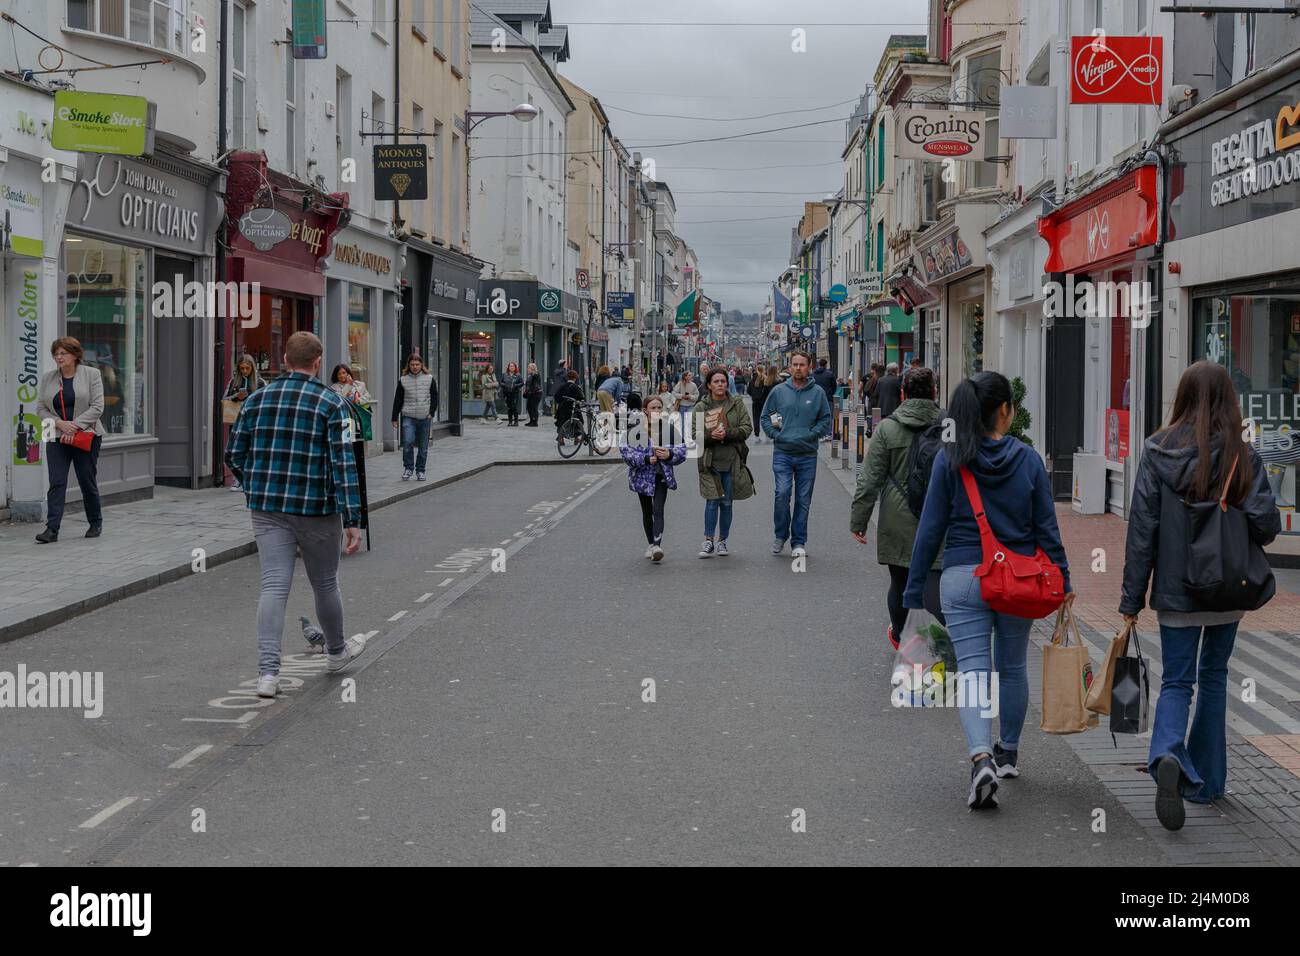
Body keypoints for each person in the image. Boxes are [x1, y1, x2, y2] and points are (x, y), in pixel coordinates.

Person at [1119, 361, 1279, 831]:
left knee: (1177, 681)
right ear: (1230, 400)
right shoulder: (1243, 455)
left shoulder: (1156, 450)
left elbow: (1141, 531)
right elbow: (1268, 527)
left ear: (1183, 397)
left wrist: (1132, 598)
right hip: (1229, 588)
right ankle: (1206, 783)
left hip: (1175, 589)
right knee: (1214, 677)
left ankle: (1168, 752)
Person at [904, 371, 1072, 811]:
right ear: (1004, 411)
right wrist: (1064, 579)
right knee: (1013, 665)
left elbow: (930, 528)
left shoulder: (951, 458)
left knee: (974, 671)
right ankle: (1008, 752)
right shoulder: (1029, 459)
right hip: (1017, 580)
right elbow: (1046, 529)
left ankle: (981, 757)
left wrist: (914, 584)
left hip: (963, 578)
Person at [225, 331, 365, 698]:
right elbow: (343, 464)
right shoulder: (330, 403)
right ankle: (335, 652)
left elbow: (233, 455)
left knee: (273, 585)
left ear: (285, 358)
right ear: (317, 363)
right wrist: (353, 519)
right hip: (316, 508)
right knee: (324, 583)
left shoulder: (256, 399)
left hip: (268, 508)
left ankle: (268, 674)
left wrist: (254, 484)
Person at [851, 366, 946, 648]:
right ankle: (936, 643)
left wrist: (859, 520)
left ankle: (902, 638)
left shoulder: (888, 428)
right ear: (935, 392)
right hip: (939, 514)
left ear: (903, 393)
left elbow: (869, 479)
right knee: (935, 578)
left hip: (897, 514)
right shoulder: (948, 426)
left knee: (900, 580)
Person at [34, 337, 105, 543]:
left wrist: (73, 426)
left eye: (63, 353)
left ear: (75, 355)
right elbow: (40, 408)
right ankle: (52, 530)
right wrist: (59, 423)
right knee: (56, 482)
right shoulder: (48, 378)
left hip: (85, 435)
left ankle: (95, 521)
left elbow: (98, 407)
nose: (59, 357)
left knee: (86, 480)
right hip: (55, 434)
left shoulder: (92, 374)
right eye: (56, 354)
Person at [760, 351, 831, 558]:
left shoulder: (817, 392)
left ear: (809, 367)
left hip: (807, 454)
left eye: (802, 365)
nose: (798, 368)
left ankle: (798, 541)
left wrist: (812, 434)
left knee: (803, 499)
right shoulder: (779, 391)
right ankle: (780, 535)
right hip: (783, 452)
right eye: (795, 364)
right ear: (790, 367)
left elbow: (825, 419)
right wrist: (777, 433)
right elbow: (770, 415)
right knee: (782, 494)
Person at [620, 395, 688, 562]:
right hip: (642, 477)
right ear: (645, 410)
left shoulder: (669, 429)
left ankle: (657, 545)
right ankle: (650, 544)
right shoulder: (635, 430)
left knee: (658, 510)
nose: (657, 411)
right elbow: (626, 452)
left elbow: (682, 450)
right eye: (653, 408)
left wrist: (669, 453)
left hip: (661, 476)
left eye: (659, 408)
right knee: (647, 511)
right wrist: (644, 459)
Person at [695, 367, 754, 557]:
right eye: (716, 381)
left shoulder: (736, 404)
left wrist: (727, 433)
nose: (720, 384)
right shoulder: (701, 407)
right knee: (712, 501)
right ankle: (708, 541)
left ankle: (723, 541)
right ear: (709, 385)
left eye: (723, 381)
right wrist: (711, 435)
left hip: (731, 460)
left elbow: (747, 427)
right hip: (710, 461)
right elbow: (694, 434)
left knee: (727, 503)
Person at [390, 354, 437, 481]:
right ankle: (408, 468)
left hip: (424, 417)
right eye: (412, 365)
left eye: (417, 364)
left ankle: (420, 470)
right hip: (408, 417)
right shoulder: (403, 380)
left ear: (422, 365)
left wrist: (431, 413)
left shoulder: (429, 378)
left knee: (423, 446)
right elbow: (398, 400)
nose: (415, 367)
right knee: (408, 442)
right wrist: (394, 417)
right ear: (408, 366)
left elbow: (434, 397)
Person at [223, 354, 264, 491]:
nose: (245, 371)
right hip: (236, 420)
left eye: (247, 368)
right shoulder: (234, 381)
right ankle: (237, 480)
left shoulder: (260, 382)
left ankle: (249, 479)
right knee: (236, 449)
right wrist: (236, 396)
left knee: (252, 449)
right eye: (242, 369)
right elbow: (224, 400)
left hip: (254, 420)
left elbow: (266, 401)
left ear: (252, 368)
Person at [554, 369, 585, 442]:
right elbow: (581, 397)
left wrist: (561, 402)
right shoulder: (576, 387)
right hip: (573, 408)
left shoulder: (562, 386)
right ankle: (576, 438)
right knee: (578, 421)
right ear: (575, 378)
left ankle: (560, 438)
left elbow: (556, 396)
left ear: (567, 377)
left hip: (563, 408)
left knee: (561, 422)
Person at [747, 366, 775, 444]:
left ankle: (757, 437)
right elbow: (767, 391)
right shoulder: (765, 379)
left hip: (755, 402)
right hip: (764, 402)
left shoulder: (752, 379)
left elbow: (748, 390)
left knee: (756, 419)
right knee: (766, 418)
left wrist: (753, 395)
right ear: (763, 370)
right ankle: (767, 435)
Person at [813, 358, 838, 432]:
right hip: (828, 398)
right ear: (826, 365)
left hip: (816, 398)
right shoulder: (830, 374)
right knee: (828, 416)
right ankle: (829, 433)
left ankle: (819, 431)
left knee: (817, 415)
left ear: (819, 364)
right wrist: (831, 393)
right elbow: (834, 386)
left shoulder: (814, 374)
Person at [499, 362, 524, 427]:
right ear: (508, 367)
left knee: (514, 407)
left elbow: (522, 383)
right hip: (507, 393)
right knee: (509, 408)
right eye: (510, 366)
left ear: (515, 367)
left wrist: (515, 385)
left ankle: (516, 422)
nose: (511, 367)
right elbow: (501, 382)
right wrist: (504, 385)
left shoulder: (518, 375)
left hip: (515, 393)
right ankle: (510, 421)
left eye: (513, 366)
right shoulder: (504, 375)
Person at [524, 362, 544, 426]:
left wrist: (533, 373)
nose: (527, 369)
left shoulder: (536, 374)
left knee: (534, 408)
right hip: (530, 393)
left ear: (532, 368)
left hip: (536, 393)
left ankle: (535, 422)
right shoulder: (530, 375)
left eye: (528, 368)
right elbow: (528, 384)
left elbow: (535, 383)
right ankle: (531, 421)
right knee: (529, 407)